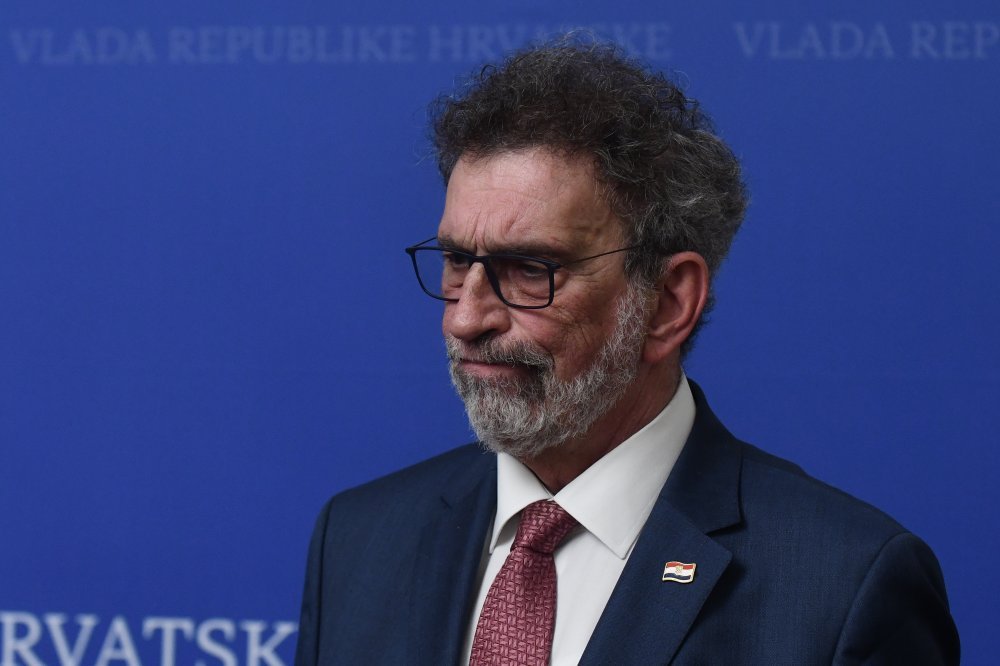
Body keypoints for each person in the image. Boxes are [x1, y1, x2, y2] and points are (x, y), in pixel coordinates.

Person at [294, 37, 959, 665]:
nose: (466, 318)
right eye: (457, 261)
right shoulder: (357, 541)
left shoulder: (843, 587)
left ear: (668, 302)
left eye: (529, 270)